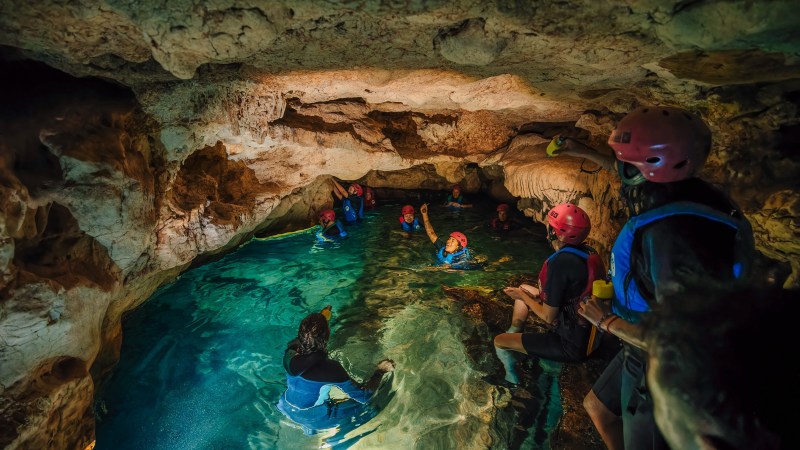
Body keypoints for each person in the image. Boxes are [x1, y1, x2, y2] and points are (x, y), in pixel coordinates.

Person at [550, 106, 755, 450]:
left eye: (625, 161)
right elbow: (626, 177)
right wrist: (581, 151)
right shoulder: (687, 194)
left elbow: (685, 340)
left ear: (646, 169)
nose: (619, 167)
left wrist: (607, 321)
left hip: (658, 358)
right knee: (596, 407)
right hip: (639, 344)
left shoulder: (674, 236)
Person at [492, 203, 606, 385]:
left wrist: (523, 298)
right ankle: (515, 330)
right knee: (524, 287)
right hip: (588, 329)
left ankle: (511, 377)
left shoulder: (560, 263)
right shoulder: (587, 252)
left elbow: (547, 316)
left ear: (557, 233)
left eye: (550, 227)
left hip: (570, 344)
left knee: (499, 340)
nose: (548, 230)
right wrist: (526, 294)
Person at [278, 306, 396, 435]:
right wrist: (380, 371)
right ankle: (328, 440)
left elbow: (308, 338)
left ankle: (309, 429)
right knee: (371, 408)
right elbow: (364, 396)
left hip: (285, 405)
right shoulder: (330, 369)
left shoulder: (290, 351)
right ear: (327, 335)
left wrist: (322, 318)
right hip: (313, 416)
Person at [419, 203, 473, 268]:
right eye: (449, 239)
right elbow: (431, 233)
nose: (448, 241)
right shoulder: (443, 247)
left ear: (458, 247)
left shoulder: (460, 259)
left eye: (453, 241)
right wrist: (424, 215)